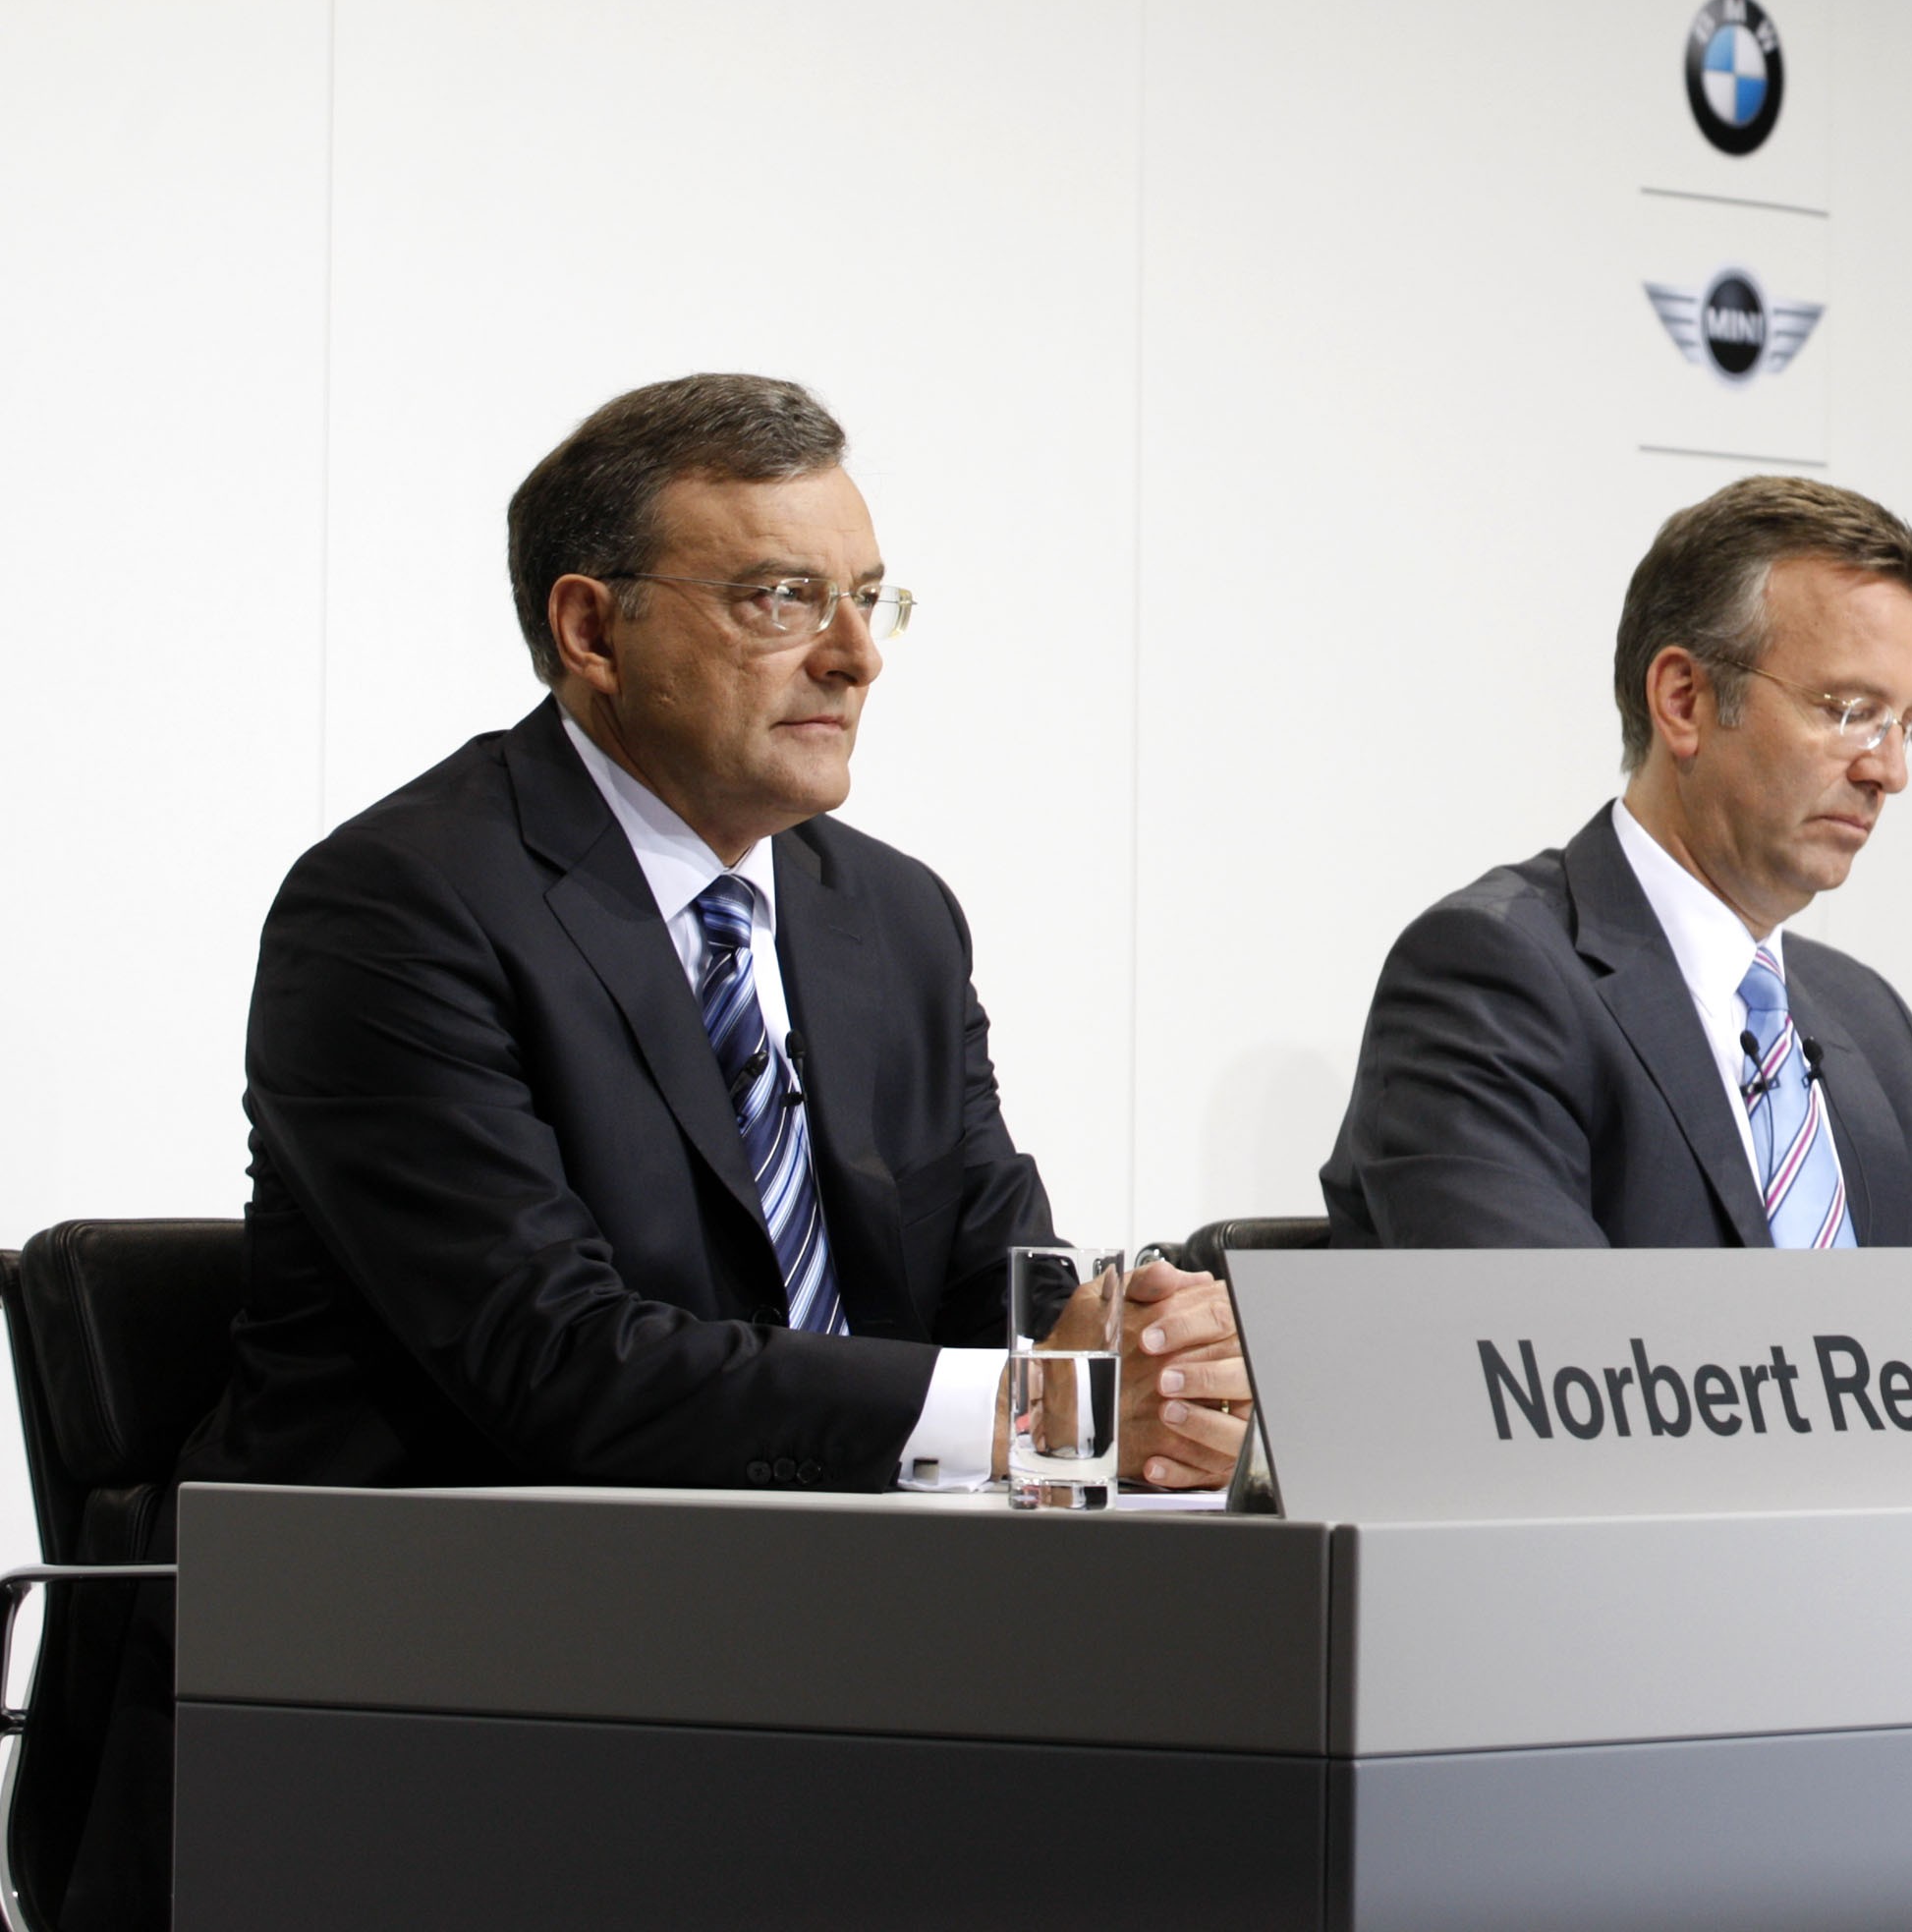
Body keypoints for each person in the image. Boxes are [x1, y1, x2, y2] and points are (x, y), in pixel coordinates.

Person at [58, 379, 1248, 1932]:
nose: (856, 655)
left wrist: (1144, 1359)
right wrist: (1041, 1408)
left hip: (822, 1674)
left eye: (869, 597)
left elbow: (996, 1287)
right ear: (591, 629)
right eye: (782, 598)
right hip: (416, 1708)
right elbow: (557, 1365)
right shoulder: (403, 904)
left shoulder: (891, 917)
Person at [1323, 477, 1912, 1247]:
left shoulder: (1868, 1021)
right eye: (1850, 712)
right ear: (1684, 700)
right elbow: (1532, 1320)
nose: (1886, 771)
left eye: (1907, 727)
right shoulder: (1493, 979)